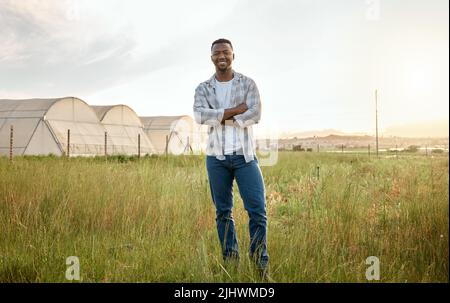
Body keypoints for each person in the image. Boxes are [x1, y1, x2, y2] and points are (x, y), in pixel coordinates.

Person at [193, 38, 269, 278]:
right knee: (223, 212)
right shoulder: (203, 88)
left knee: (257, 211)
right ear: (212, 57)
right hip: (216, 158)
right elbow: (200, 115)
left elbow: (255, 113)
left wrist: (221, 117)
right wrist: (237, 110)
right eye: (217, 53)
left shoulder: (248, 84)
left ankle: (260, 266)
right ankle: (231, 263)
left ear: (233, 55)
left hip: (244, 157)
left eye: (226, 52)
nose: (221, 56)